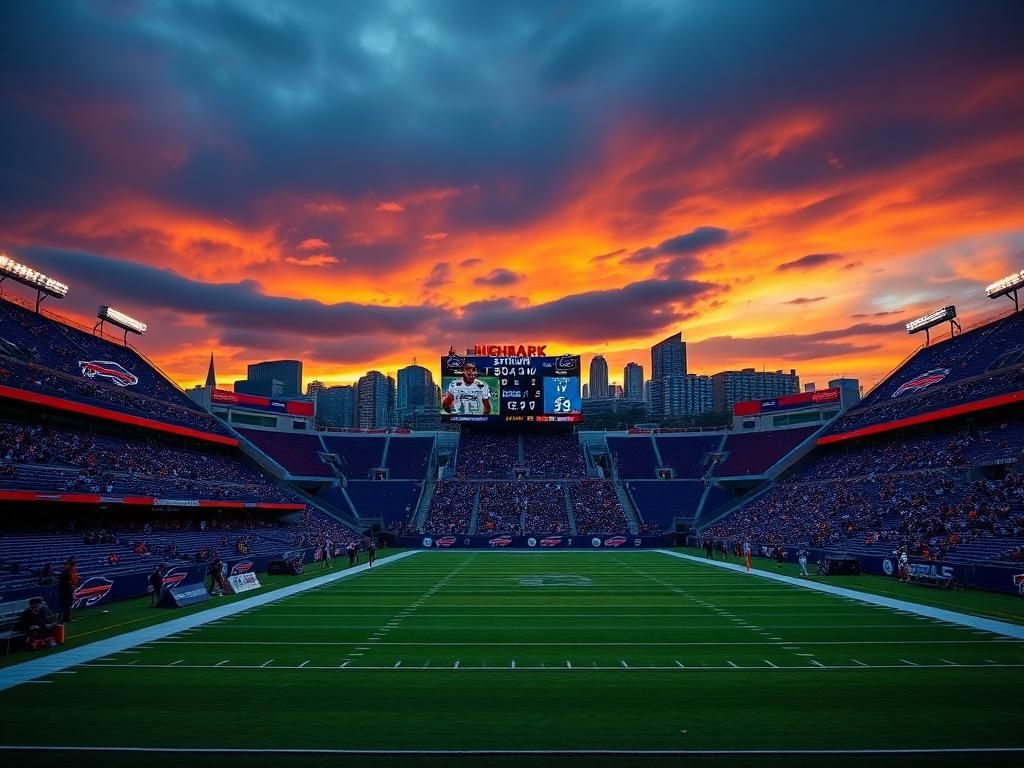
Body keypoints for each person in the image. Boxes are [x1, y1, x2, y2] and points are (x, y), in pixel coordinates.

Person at [58, 557, 78, 623]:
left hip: (65, 590)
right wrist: (72, 586)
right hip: (66, 590)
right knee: (66, 605)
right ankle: (65, 618)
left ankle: (64, 618)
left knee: (64, 605)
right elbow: (72, 581)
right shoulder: (69, 571)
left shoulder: (67, 571)